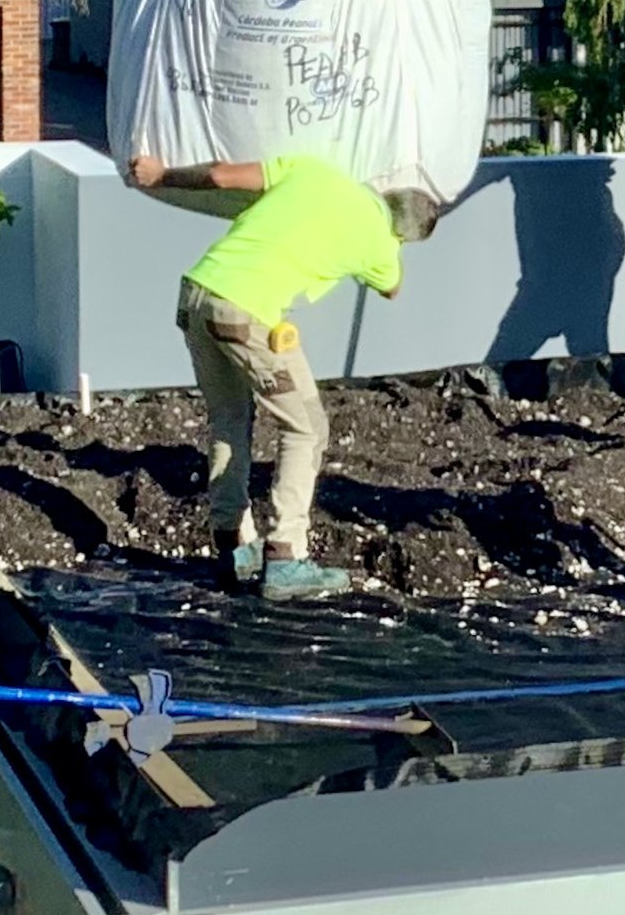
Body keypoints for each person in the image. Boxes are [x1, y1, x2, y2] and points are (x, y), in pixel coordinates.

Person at [129, 151, 439, 601]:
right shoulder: (379, 242)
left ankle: (234, 545)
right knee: (307, 428)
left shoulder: (315, 168)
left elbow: (219, 175)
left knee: (229, 418)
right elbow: (392, 288)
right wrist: (392, 244)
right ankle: (285, 556)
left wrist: (160, 176)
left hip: (196, 293)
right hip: (244, 314)